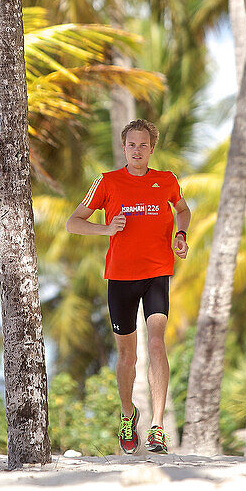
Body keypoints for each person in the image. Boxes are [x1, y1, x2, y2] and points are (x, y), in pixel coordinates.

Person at [65, 119, 191, 454]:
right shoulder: (107, 182)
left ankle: (158, 427)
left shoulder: (165, 181)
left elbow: (183, 210)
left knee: (156, 343)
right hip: (120, 278)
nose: (137, 151)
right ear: (124, 147)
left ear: (152, 149)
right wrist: (105, 230)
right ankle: (127, 415)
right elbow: (73, 223)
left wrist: (181, 234)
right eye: (131, 145)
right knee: (127, 356)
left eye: (143, 145)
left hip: (157, 273)